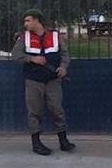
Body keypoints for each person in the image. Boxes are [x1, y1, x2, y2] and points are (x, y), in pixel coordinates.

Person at [11, 9, 75, 156]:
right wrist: (32, 59)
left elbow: (65, 54)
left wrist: (63, 67)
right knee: (34, 112)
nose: (25, 24)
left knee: (57, 110)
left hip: (53, 80)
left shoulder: (55, 35)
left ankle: (63, 141)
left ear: (37, 20)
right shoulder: (24, 37)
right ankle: (36, 143)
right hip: (33, 80)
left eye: (28, 20)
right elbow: (15, 55)